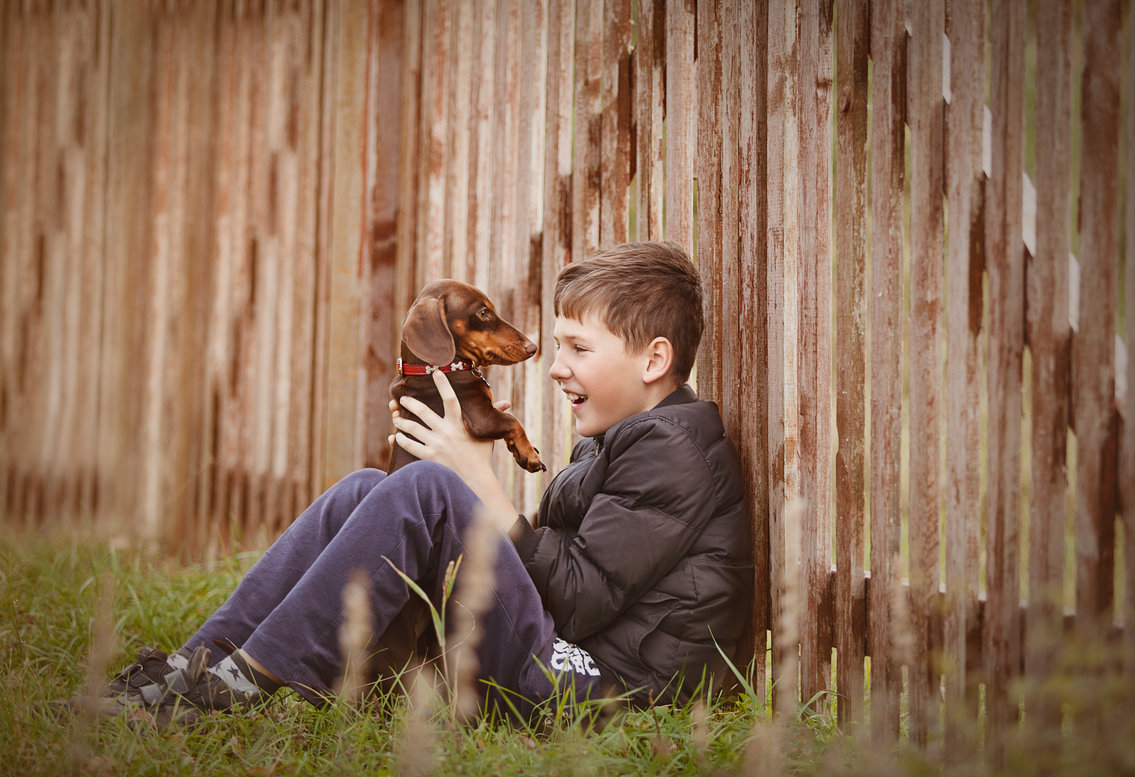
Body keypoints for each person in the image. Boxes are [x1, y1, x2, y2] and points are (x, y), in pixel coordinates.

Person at [62, 241, 753, 726]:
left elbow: (575, 598)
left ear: (654, 359)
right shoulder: (625, 439)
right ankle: (195, 667)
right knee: (369, 486)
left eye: (578, 347)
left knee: (432, 487)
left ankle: (241, 681)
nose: (553, 364)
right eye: (559, 344)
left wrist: (477, 478)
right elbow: (562, 571)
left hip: (607, 687)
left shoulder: (674, 453)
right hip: (575, 651)